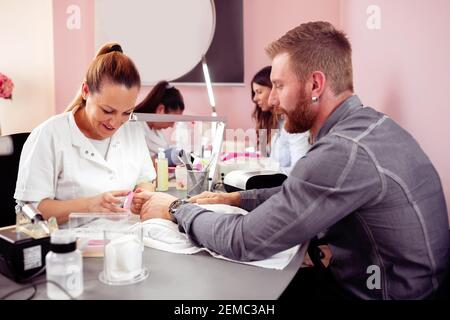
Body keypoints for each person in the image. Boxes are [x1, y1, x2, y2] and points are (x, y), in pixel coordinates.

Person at [133, 22, 449, 299]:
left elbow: (245, 240)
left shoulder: (342, 150)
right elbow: (300, 192)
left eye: (280, 86)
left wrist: (176, 209)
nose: (272, 99)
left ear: (315, 85)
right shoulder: (367, 127)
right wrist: (235, 197)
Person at [14, 43, 155, 224]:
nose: (115, 123)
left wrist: (142, 194)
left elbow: (145, 178)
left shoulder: (132, 131)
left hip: (125, 239)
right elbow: (31, 210)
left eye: (127, 113)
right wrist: (90, 205)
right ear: (86, 91)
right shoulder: (49, 135)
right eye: (107, 110)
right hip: (71, 246)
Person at [251, 66, 310, 174]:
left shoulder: (294, 124)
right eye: (254, 93)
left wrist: (266, 171)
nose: (255, 99)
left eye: (259, 92)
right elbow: (264, 159)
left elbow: (299, 172)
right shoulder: (267, 121)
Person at [134, 80, 185, 166]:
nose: (172, 125)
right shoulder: (134, 126)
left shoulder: (156, 131)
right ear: (161, 109)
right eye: (172, 120)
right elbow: (137, 163)